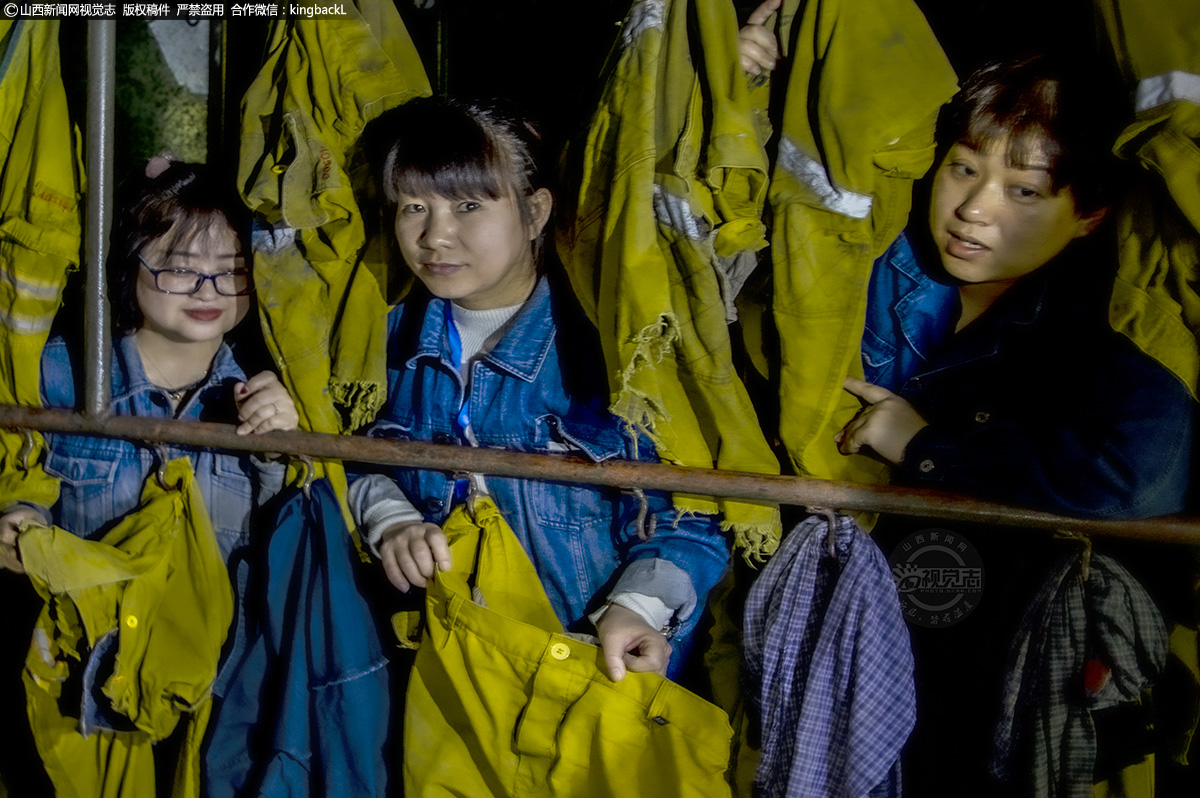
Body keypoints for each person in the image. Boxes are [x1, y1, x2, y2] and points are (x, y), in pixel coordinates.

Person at [348, 98, 730, 682]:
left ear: (535, 212)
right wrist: (387, 515)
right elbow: (336, 454)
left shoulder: (615, 352)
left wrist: (640, 606)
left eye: (469, 205)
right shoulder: (379, 341)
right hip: (437, 677)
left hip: (583, 672)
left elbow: (690, 512)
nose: (434, 236)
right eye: (413, 207)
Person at [0, 155, 298, 571]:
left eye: (233, 270)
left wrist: (281, 449)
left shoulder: (272, 393)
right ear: (128, 264)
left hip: (217, 637)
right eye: (180, 268)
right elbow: (18, 473)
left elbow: (283, 548)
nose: (208, 291)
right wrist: (20, 515)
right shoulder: (58, 372)